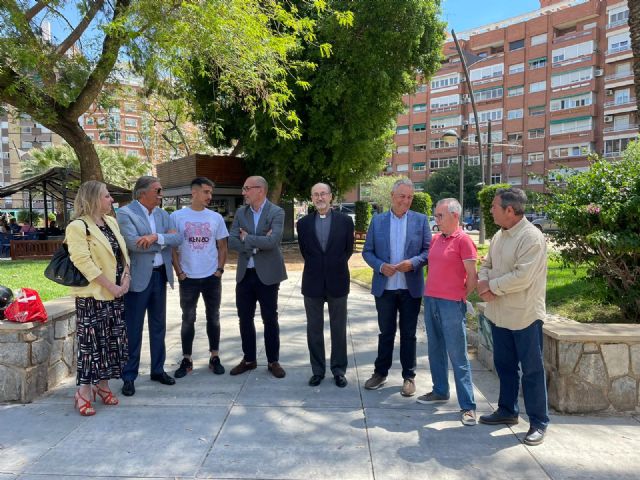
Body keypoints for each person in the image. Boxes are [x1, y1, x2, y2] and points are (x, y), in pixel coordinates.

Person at [477, 187, 549, 446]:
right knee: (505, 366)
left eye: (494, 207)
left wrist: (490, 287)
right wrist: (484, 282)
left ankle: (539, 422)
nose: (491, 210)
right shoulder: (500, 234)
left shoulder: (531, 237)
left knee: (531, 371)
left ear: (510, 210)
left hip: (525, 315)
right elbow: (486, 265)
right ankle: (507, 411)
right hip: (500, 315)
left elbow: (523, 277)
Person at [66, 180, 131, 416]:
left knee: (111, 344)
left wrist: (125, 279)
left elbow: (122, 254)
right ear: (93, 198)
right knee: (91, 346)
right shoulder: (77, 226)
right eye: (106, 196)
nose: (111, 200)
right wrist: (111, 286)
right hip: (93, 297)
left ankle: (102, 386)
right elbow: (84, 263)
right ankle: (83, 392)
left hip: (115, 295)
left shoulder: (111, 222)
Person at [362, 178, 430, 396]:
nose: (406, 201)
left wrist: (413, 263)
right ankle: (380, 373)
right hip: (385, 288)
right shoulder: (377, 221)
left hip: (410, 288)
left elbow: (428, 251)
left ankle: (409, 377)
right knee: (386, 332)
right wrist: (381, 266)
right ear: (392, 196)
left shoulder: (420, 220)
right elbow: (367, 252)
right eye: (402, 196)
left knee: (409, 334)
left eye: (410, 197)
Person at [116, 176, 182, 396]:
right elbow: (133, 244)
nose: (161, 194)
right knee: (132, 329)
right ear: (142, 193)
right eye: (158, 190)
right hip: (138, 279)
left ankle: (157, 370)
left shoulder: (164, 214)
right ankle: (129, 376)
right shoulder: (125, 213)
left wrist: (155, 237)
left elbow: (178, 238)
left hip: (160, 276)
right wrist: (163, 240)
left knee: (158, 326)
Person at [417, 198, 478, 426]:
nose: (436, 220)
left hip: (451, 304)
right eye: (436, 215)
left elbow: (473, 276)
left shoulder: (464, 241)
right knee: (435, 350)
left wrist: (461, 295)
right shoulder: (435, 240)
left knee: (458, 355)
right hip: (431, 300)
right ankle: (440, 390)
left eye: (440, 216)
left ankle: (468, 406)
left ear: (455, 216)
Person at [228, 176, 287, 378]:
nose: (243, 192)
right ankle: (249, 359)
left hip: (268, 274)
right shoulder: (240, 212)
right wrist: (256, 243)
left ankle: (273, 361)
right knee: (244, 318)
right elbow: (232, 241)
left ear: (260, 190)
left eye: (246, 189)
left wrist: (248, 238)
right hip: (245, 274)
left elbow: (273, 241)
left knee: (270, 318)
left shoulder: (276, 212)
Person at [297, 183, 354, 388]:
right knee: (314, 329)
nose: (320, 198)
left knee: (338, 328)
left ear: (331, 197)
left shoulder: (345, 221)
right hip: (312, 282)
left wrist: (332, 266)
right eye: (315, 195)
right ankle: (317, 371)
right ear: (311, 198)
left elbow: (348, 250)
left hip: (338, 281)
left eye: (323, 194)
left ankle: (339, 370)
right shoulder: (302, 224)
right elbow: (305, 252)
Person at [171, 177, 229, 378]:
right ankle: (187, 359)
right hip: (188, 278)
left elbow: (222, 246)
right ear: (194, 192)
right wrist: (179, 272)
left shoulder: (215, 218)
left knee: (214, 317)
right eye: (206, 192)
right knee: (188, 318)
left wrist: (219, 270)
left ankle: (215, 356)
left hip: (211, 276)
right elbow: (173, 248)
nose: (209, 196)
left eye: (211, 193)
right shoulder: (177, 217)